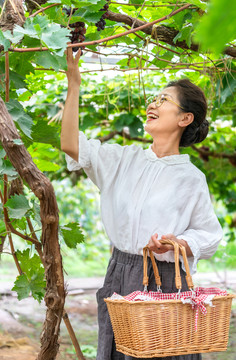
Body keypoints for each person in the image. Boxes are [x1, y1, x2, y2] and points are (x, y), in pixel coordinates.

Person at [61, 48, 223, 360]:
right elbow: (71, 144)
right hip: (120, 272)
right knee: (118, 351)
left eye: (164, 100)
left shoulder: (191, 177)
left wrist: (176, 243)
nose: (153, 104)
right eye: (155, 98)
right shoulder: (122, 159)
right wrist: (74, 83)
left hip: (165, 282)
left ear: (184, 118)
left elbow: (209, 235)